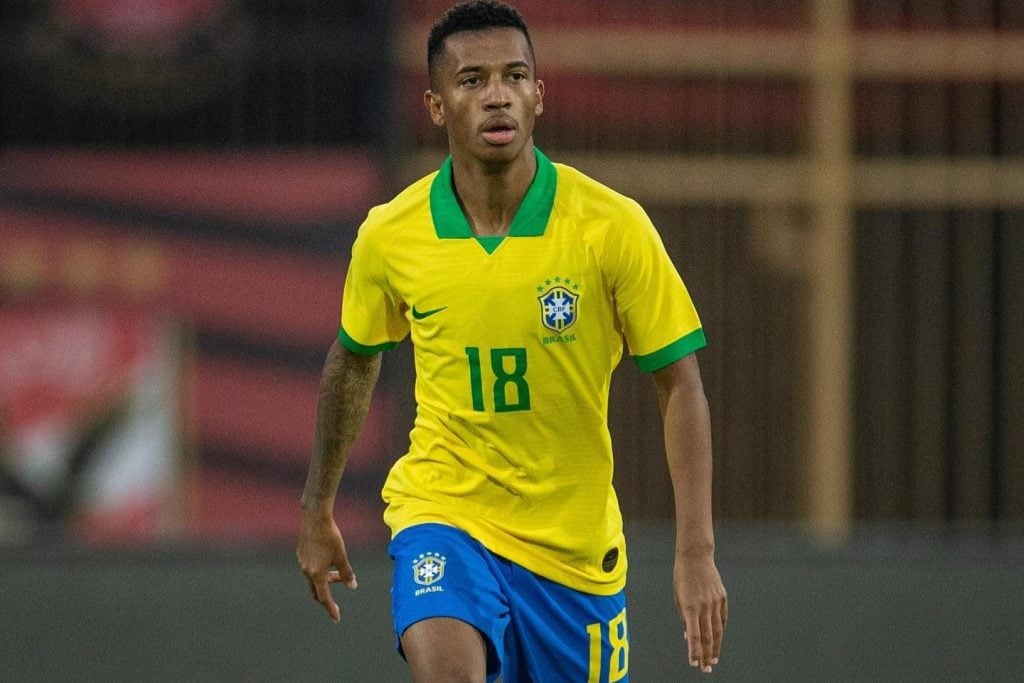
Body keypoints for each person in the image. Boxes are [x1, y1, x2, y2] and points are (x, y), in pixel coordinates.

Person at [296, 1, 727, 680]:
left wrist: (695, 551)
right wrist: (317, 507)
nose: (497, 95)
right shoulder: (391, 234)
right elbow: (353, 361)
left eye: (514, 76)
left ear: (538, 96)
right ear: (436, 106)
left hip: (572, 558)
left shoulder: (611, 227)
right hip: (445, 514)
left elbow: (680, 381)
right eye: (472, 80)